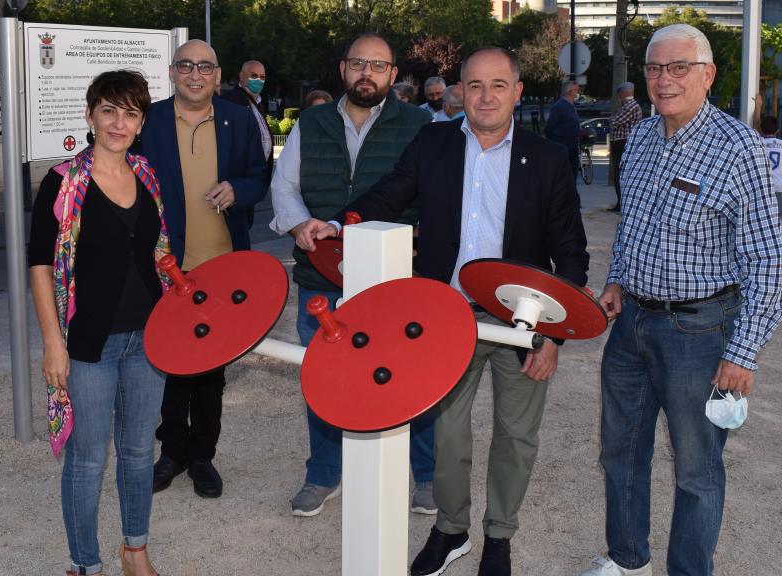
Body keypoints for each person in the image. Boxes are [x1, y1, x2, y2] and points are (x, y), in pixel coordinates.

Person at [296, 46, 589, 575]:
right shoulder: (432, 143)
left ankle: (498, 537)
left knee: (516, 436)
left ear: (518, 92)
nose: (485, 96)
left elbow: (570, 251)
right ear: (459, 91)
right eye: (474, 85)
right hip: (445, 316)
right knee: (448, 432)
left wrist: (556, 334)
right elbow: (387, 196)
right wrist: (339, 225)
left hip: (521, 321)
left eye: (498, 85)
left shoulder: (545, 159)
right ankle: (451, 529)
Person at [582, 24, 782, 576]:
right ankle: (627, 558)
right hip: (632, 327)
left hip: (699, 331)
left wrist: (742, 354)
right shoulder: (643, 137)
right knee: (619, 453)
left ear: (708, 75)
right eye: (653, 68)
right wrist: (617, 278)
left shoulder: (738, 149)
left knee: (696, 469)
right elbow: (633, 226)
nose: (663, 80)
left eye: (677, 68)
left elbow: (768, 260)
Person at [270, 32, 434, 518]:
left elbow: (431, 194)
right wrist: (300, 224)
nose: (368, 73)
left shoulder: (419, 124)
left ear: (393, 74)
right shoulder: (312, 121)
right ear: (343, 69)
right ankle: (324, 474)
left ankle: (426, 475)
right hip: (321, 278)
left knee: (411, 376)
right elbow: (285, 184)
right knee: (323, 378)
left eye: (379, 66)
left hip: (393, 279)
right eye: (359, 63)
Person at [28, 70, 167, 576]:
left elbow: (160, 254)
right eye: (109, 110)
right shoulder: (63, 183)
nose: (118, 122)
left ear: (141, 122)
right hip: (89, 342)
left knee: (135, 450)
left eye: (130, 113)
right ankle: (85, 565)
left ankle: (135, 552)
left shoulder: (148, 175)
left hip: (150, 337)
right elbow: (41, 264)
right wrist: (51, 342)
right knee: (87, 459)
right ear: (90, 115)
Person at [137, 39, 268, 499]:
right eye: (186, 66)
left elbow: (259, 174)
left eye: (205, 67)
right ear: (172, 73)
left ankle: (203, 457)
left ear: (217, 75)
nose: (196, 74)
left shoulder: (238, 119)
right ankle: (171, 452)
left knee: (212, 370)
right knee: (170, 365)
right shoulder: (148, 120)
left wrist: (238, 188)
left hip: (222, 269)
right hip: (166, 268)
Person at [221, 60, 274, 182]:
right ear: (242, 76)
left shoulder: (259, 103)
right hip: (237, 178)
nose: (259, 80)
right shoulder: (230, 100)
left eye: (262, 77)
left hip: (256, 175)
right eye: (254, 76)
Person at [607, 82, 642, 211]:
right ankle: (621, 203)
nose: (619, 97)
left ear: (623, 93)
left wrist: (612, 120)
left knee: (619, 174)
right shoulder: (631, 106)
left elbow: (614, 123)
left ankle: (621, 204)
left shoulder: (629, 106)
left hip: (622, 142)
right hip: (624, 142)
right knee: (621, 174)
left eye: (620, 94)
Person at [545, 79, 581, 179]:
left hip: (572, 147)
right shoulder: (559, 106)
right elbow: (549, 128)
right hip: (562, 147)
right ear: (570, 92)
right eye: (576, 91)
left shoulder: (571, 106)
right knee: (563, 176)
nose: (577, 93)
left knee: (572, 175)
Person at [760, 115, 782, 207]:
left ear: (761, 129)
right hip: (779, 187)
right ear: (778, 130)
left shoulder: (758, 143)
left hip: (763, 186)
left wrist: (758, 107)